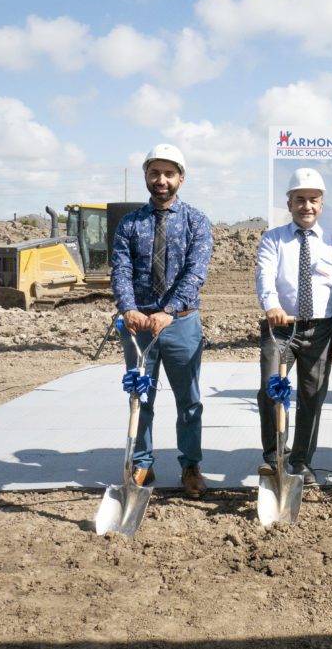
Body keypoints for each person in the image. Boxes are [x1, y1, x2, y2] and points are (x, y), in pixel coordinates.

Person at [111, 143, 214, 498]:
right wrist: (129, 308)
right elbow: (120, 270)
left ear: (180, 179)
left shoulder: (196, 222)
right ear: (146, 176)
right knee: (141, 397)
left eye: (169, 173)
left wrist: (167, 313)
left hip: (181, 323)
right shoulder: (129, 224)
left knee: (189, 401)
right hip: (139, 326)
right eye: (155, 173)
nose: (161, 180)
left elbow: (195, 273)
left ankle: (190, 466)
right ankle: (141, 463)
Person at [255, 167, 332, 485]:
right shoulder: (273, 240)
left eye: (313, 200)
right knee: (272, 390)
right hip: (280, 326)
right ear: (289, 204)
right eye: (300, 200)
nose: (306, 206)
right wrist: (271, 305)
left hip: (321, 330)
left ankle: (301, 461)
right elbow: (265, 277)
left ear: (321, 204)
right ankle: (274, 457)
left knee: (312, 396)